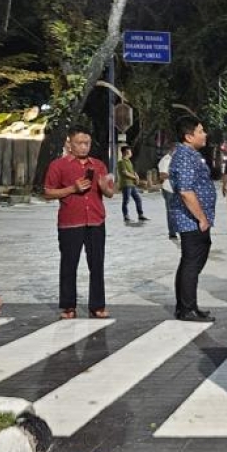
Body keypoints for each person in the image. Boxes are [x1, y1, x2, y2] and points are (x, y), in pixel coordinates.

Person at [43, 126, 116, 319]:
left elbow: (110, 193)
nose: (84, 147)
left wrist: (104, 187)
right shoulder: (58, 165)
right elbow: (48, 192)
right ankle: (68, 307)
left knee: (97, 264)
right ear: (70, 143)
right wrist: (72, 189)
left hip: (95, 221)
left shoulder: (99, 165)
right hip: (70, 222)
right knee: (69, 264)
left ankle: (97, 306)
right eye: (79, 143)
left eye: (87, 143)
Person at [168, 116, 216, 322]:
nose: (204, 134)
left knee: (190, 263)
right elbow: (186, 191)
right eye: (200, 131)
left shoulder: (189, 154)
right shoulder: (186, 156)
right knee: (191, 263)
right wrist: (202, 218)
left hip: (194, 219)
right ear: (189, 136)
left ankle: (187, 306)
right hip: (192, 220)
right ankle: (187, 309)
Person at [116, 145, 148, 224]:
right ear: (126, 152)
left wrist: (136, 177)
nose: (131, 153)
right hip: (126, 184)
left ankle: (140, 214)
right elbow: (125, 172)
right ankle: (126, 216)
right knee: (126, 200)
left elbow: (132, 171)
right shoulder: (121, 162)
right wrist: (134, 177)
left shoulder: (129, 161)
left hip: (132, 184)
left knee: (138, 199)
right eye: (130, 151)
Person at [158, 142, 178, 241]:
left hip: (176, 189)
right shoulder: (166, 160)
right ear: (173, 149)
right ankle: (172, 232)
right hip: (168, 189)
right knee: (171, 212)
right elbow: (162, 175)